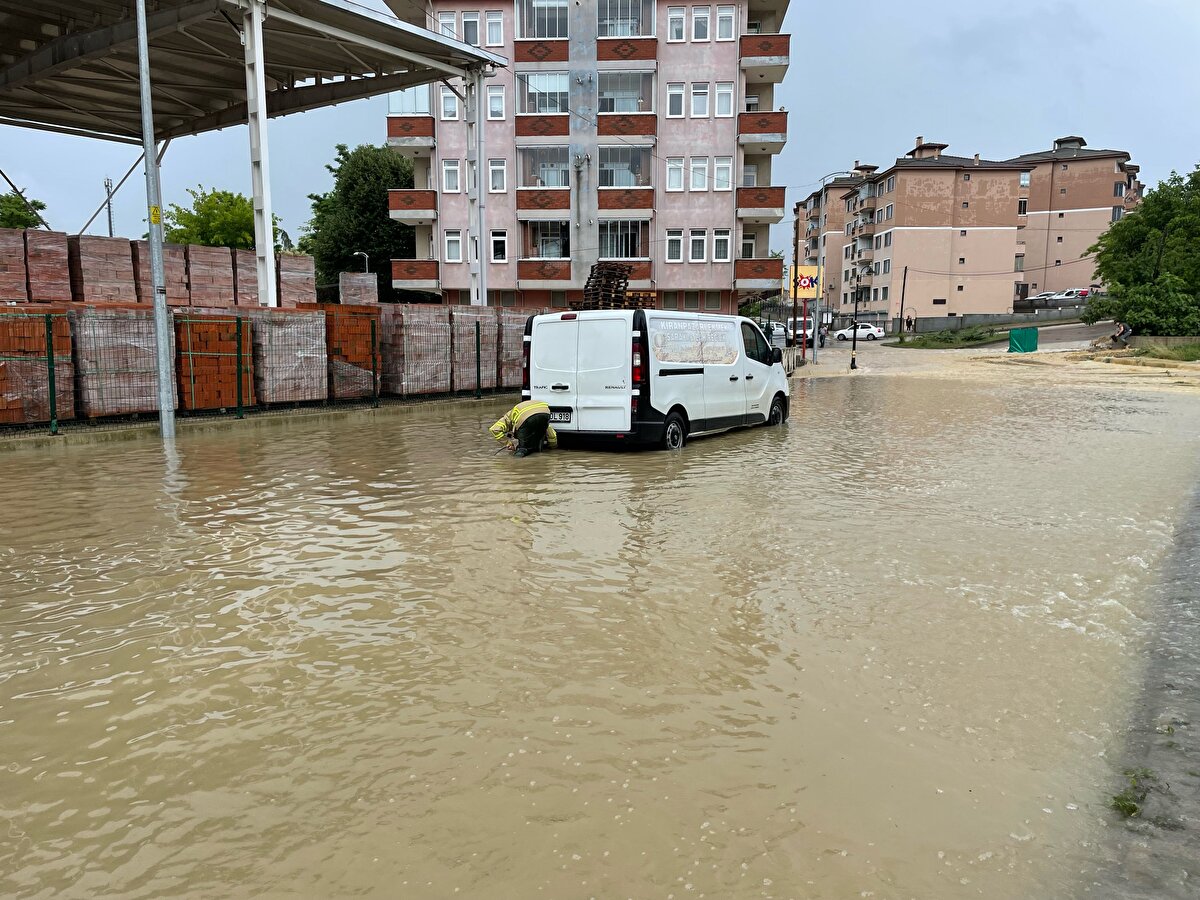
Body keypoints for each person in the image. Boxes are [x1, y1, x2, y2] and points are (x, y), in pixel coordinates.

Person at [490, 399, 558, 457]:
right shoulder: (516, 414)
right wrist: (553, 447)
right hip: (545, 412)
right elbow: (551, 434)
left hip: (526, 417)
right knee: (538, 444)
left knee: (523, 449)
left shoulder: (507, 418)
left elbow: (494, 429)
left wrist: (508, 443)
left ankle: (517, 463)